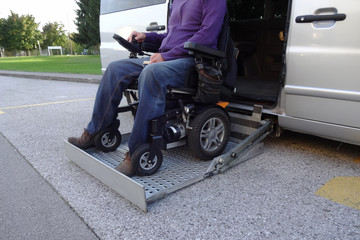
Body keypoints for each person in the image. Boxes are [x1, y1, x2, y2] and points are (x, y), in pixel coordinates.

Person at [68, 0, 227, 176]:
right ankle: (96, 130)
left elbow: (207, 36)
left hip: (193, 61)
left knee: (152, 72)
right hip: (170, 57)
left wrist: (167, 56)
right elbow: (170, 36)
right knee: (115, 68)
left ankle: (137, 149)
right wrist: (147, 36)